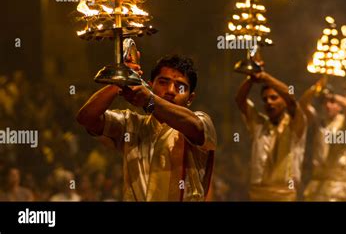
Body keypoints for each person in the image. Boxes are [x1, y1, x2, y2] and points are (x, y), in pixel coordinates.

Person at [76, 54, 216, 201]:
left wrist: (150, 100)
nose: (170, 90)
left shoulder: (201, 121)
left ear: (190, 98)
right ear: (150, 85)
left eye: (180, 87)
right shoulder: (131, 124)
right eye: (163, 82)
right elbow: (86, 118)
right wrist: (119, 80)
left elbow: (195, 126)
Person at [235, 70, 306, 201]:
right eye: (265, 99)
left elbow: (291, 99)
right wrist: (252, 77)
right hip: (257, 194)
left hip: (285, 194)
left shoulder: (295, 124)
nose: (269, 102)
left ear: (283, 101)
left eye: (274, 97)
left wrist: (265, 77)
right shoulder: (258, 124)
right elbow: (240, 100)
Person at [303, 86, 346, 201]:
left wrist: (333, 96)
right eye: (324, 102)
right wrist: (316, 88)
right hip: (316, 185)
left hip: (336, 186)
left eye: (332, 103)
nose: (327, 106)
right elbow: (303, 105)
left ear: (339, 105)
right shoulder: (319, 122)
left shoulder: (344, 122)